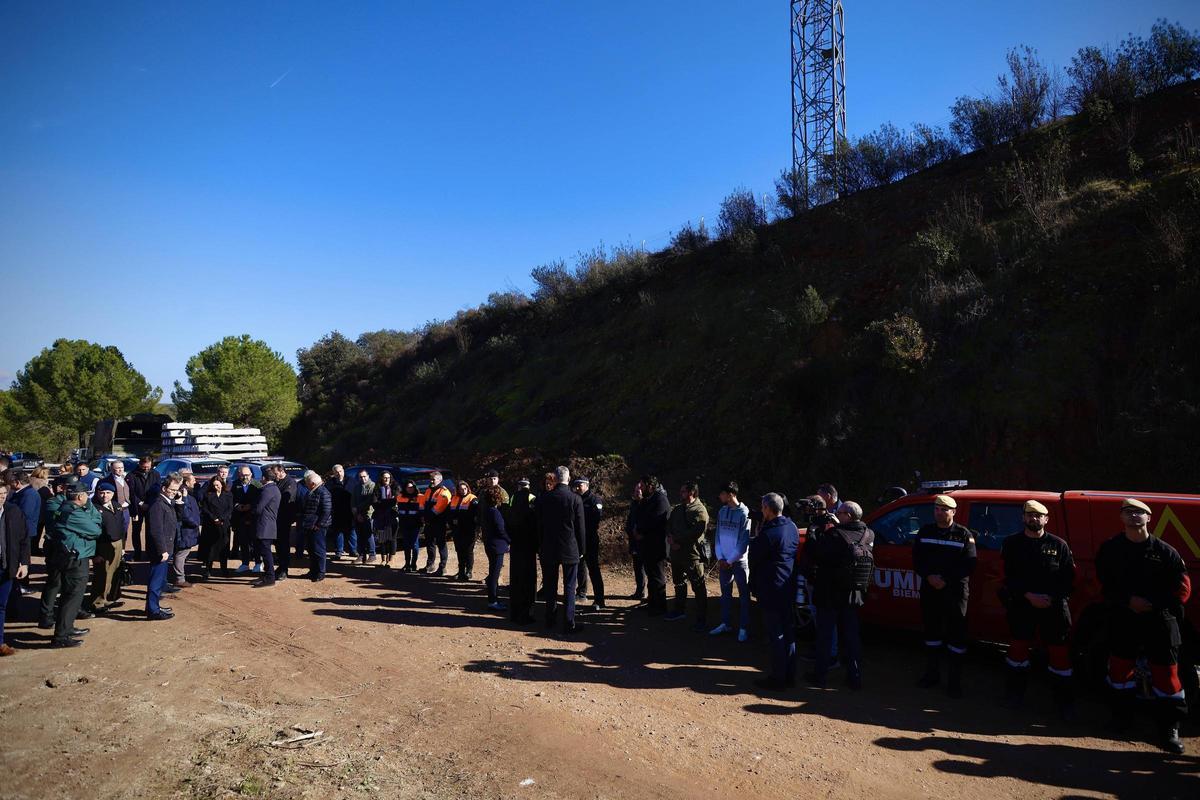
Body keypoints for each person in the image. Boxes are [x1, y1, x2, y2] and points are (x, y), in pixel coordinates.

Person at [1098, 498, 1190, 754]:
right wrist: (1128, 601)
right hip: (1123, 618)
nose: (1134, 516)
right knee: (1119, 672)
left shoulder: (1166, 552)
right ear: (1121, 518)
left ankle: (1169, 730)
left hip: (1159, 621)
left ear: (1149, 518)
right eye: (1129, 512)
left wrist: (1152, 604)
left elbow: (1183, 589)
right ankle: (1121, 718)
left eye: (1140, 512)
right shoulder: (1110, 549)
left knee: (1167, 676)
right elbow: (1104, 584)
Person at [998, 499, 1076, 716]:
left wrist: (1050, 597)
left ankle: (1063, 703)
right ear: (1023, 518)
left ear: (1046, 519)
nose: (1033, 519)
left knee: (1060, 657)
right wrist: (1028, 595)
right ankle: (1014, 695)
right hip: (1022, 605)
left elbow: (1069, 579)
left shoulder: (1059, 545)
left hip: (1054, 608)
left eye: (1038, 515)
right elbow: (1006, 577)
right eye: (1029, 515)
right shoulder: (1012, 544)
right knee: (1017, 654)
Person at [802, 501, 874, 690]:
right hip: (855, 593)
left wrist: (816, 529)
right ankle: (854, 676)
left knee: (825, 635)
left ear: (848, 516)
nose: (836, 514)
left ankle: (820, 676)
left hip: (831, 593)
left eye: (839, 512)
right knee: (851, 636)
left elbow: (816, 552)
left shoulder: (835, 535)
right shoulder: (868, 533)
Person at [913, 494, 977, 698]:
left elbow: (969, 564)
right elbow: (917, 558)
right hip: (930, 589)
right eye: (937, 510)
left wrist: (945, 580)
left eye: (944, 510)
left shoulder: (963, 535)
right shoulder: (925, 531)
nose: (939, 513)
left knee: (956, 636)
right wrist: (929, 576)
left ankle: (954, 682)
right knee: (931, 633)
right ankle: (932, 675)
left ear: (953, 512)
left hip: (954, 592)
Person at [749, 492, 801, 690]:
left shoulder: (770, 533)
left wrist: (757, 533)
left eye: (763, 507)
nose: (761, 511)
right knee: (788, 632)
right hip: (787, 585)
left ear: (768, 509)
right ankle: (789, 674)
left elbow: (754, 554)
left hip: (771, 587)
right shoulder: (792, 527)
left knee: (776, 634)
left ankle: (778, 677)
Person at [41, 485, 102, 646]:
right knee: (73, 596)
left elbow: (94, 523)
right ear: (80, 496)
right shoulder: (73, 512)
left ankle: (67, 628)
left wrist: (85, 528)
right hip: (75, 558)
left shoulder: (64, 507)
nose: (88, 499)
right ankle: (61, 636)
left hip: (69, 555)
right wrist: (87, 528)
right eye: (86, 495)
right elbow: (95, 530)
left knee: (70, 595)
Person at [537, 466, 587, 634]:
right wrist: (582, 549)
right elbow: (580, 528)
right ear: (569, 478)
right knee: (569, 586)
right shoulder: (575, 499)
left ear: (556, 479)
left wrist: (540, 545)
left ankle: (550, 619)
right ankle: (568, 621)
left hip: (549, 546)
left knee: (550, 585)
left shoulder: (545, 498)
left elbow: (539, 525)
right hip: (569, 547)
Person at [710, 481, 752, 642]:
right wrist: (720, 557)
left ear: (731, 494)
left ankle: (743, 627)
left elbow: (743, 541)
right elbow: (718, 536)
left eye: (722, 493)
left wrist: (731, 559)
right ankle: (726, 623)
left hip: (739, 562)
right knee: (725, 594)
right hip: (724, 561)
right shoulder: (722, 511)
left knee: (743, 595)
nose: (720, 496)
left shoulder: (744, 513)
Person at [666, 482, 710, 631]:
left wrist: (678, 541)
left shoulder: (700, 510)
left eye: (683, 491)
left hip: (692, 556)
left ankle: (701, 619)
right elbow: (669, 525)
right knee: (678, 582)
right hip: (677, 554)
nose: (681, 494)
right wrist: (671, 539)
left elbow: (696, 532)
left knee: (698, 587)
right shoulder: (677, 509)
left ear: (692, 492)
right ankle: (679, 610)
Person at [84, 481, 127, 615]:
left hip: (117, 543)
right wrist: (95, 554)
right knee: (102, 575)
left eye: (108, 493)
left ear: (113, 494)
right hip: (102, 546)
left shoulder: (117, 506)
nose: (104, 496)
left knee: (114, 573)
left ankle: (108, 598)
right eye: (101, 493)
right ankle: (97, 603)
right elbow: (90, 533)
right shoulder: (93, 508)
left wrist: (123, 546)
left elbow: (122, 528)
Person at [144, 473, 182, 620]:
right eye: (171, 490)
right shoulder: (158, 504)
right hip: (160, 550)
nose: (173, 493)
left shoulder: (168, 502)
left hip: (167, 547)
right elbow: (156, 530)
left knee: (159, 581)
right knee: (155, 581)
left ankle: (154, 607)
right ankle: (153, 610)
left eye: (176, 490)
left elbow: (178, 518)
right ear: (164, 488)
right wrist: (162, 550)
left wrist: (179, 501)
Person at [633, 476, 671, 615]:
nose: (640, 489)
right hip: (646, 545)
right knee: (650, 574)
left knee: (658, 576)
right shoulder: (647, 500)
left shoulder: (660, 499)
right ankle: (652, 602)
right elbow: (639, 516)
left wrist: (643, 532)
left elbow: (657, 521)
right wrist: (637, 530)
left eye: (642, 486)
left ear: (650, 486)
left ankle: (660, 606)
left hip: (657, 545)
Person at [0, 484, 31, 656]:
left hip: (6, 565)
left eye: (4, 494)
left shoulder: (13, 512)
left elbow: (24, 539)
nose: (2, 497)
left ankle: (0, 643)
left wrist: (24, 563)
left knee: (1, 605)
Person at [571, 477, 606, 611]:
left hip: (590, 539)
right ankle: (581, 593)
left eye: (580, 485)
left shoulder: (594, 500)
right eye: (576, 486)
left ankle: (599, 599)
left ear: (587, 485)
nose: (577, 488)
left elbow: (596, 517)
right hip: (578, 539)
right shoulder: (576, 499)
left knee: (593, 568)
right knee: (580, 566)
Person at [508, 478, 539, 625]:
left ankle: (514, 612)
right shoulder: (532, 498)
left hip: (515, 543)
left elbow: (508, 517)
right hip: (528, 544)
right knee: (528, 579)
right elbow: (535, 521)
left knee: (515, 578)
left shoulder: (513, 497)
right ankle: (528, 613)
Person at [198, 475, 234, 579]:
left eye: (217, 485)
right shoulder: (208, 494)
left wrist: (221, 519)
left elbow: (230, 508)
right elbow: (205, 508)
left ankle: (224, 569)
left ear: (222, 485)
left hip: (224, 525)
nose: (216, 487)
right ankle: (208, 570)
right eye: (214, 485)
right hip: (211, 524)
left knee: (224, 547)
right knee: (210, 548)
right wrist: (214, 518)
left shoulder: (228, 494)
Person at [170, 472, 202, 588]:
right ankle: (180, 578)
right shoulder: (182, 495)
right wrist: (194, 523)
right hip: (185, 530)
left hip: (188, 530)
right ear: (187, 482)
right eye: (193, 480)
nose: (195, 482)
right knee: (181, 554)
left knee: (183, 553)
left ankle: (180, 575)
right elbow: (184, 513)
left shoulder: (188, 494)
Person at [300, 471, 332, 581]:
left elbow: (326, 511)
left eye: (307, 482)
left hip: (318, 526)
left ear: (313, 483)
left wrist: (319, 524)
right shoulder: (314, 491)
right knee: (311, 550)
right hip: (310, 525)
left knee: (319, 550)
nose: (306, 484)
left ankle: (320, 572)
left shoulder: (323, 492)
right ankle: (313, 571)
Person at [482, 484, 510, 610]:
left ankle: (493, 599)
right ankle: (492, 601)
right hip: (497, 546)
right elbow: (501, 530)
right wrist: (510, 540)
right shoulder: (495, 512)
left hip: (489, 544)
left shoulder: (487, 511)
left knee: (493, 572)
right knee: (494, 575)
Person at [419, 471, 453, 574]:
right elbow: (423, 502)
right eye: (430, 479)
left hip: (439, 522)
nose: (431, 481)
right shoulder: (429, 490)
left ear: (440, 480)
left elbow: (438, 509)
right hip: (429, 522)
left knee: (441, 544)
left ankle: (442, 567)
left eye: (433, 479)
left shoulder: (444, 492)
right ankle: (430, 565)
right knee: (430, 544)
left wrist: (426, 516)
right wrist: (422, 515)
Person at [126, 456, 160, 561]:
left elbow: (157, 489)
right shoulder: (131, 475)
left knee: (151, 530)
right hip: (136, 507)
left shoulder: (155, 474)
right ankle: (137, 554)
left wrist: (149, 503)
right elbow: (130, 492)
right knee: (136, 531)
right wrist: (140, 503)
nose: (146, 469)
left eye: (148, 467)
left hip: (151, 506)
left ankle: (150, 553)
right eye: (144, 467)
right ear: (140, 464)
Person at [252, 469, 281, 588]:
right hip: (267, 525)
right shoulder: (273, 488)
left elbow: (259, 508)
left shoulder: (268, 490)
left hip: (265, 525)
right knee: (265, 551)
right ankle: (268, 575)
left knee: (266, 552)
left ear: (264, 478)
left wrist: (250, 510)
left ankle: (270, 577)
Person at [231, 466, 262, 574]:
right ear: (239, 475)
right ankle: (245, 563)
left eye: (247, 475)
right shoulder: (235, 485)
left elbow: (260, 500)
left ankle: (258, 563)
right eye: (243, 475)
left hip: (253, 518)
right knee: (243, 542)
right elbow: (232, 499)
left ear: (251, 475)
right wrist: (237, 506)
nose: (245, 477)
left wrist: (250, 506)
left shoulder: (257, 485)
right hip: (240, 518)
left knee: (255, 543)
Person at [449, 480, 479, 580]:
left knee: (468, 550)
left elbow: (474, 515)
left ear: (468, 488)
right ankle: (461, 571)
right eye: (461, 489)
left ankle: (469, 571)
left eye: (465, 489)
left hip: (469, 529)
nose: (463, 491)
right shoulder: (454, 498)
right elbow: (450, 513)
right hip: (457, 530)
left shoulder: (472, 498)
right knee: (459, 551)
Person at [274, 465, 300, 580]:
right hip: (277, 518)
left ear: (281, 471)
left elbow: (286, 499)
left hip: (284, 518)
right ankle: (280, 566)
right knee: (278, 544)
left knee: (283, 544)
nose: (275, 476)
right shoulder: (278, 481)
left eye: (276, 473)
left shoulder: (290, 482)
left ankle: (284, 569)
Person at [371, 471, 400, 569]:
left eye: (388, 477)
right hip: (380, 516)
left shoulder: (395, 488)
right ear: (381, 478)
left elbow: (396, 501)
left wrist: (384, 503)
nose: (386, 479)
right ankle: (383, 559)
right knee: (382, 538)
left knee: (392, 538)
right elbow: (374, 502)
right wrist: (387, 503)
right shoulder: (377, 488)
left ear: (391, 478)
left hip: (392, 516)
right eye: (384, 477)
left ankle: (391, 559)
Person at [624, 483, 647, 600]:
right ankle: (640, 590)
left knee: (646, 567)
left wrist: (641, 534)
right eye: (635, 490)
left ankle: (648, 593)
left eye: (639, 489)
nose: (638, 492)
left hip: (644, 542)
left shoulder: (647, 504)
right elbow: (630, 520)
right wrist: (629, 530)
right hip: (634, 541)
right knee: (637, 567)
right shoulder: (633, 504)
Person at [351, 470, 377, 565]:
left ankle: (372, 554)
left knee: (368, 535)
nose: (363, 478)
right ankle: (361, 555)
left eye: (364, 476)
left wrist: (360, 512)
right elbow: (353, 500)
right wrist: (355, 512)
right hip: (357, 515)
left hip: (368, 514)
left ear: (368, 476)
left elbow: (369, 501)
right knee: (360, 536)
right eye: (361, 477)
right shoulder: (357, 487)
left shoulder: (372, 486)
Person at [327, 467, 354, 560]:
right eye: (336, 472)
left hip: (349, 510)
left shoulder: (351, 480)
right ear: (333, 473)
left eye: (340, 471)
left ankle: (353, 550)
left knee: (351, 530)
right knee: (338, 532)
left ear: (343, 470)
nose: (339, 473)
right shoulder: (330, 483)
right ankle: (339, 551)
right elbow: (328, 495)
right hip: (336, 510)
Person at [396, 480, 423, 571]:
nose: (410, 489)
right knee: (406, 545)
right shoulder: (400, 497)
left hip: (415, 524)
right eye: (408, 487)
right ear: (405, 488)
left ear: (415, 487)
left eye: (412, 487)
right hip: (404, 524)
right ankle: (407, 564)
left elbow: (423, 511)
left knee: (414, 544)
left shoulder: (420, 497)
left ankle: (413, 564)